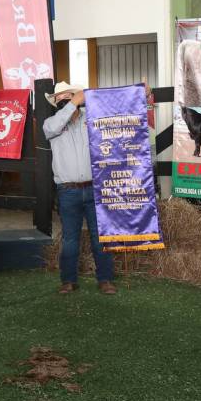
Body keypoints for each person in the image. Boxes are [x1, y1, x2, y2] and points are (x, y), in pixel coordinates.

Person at [42, 81, 116, 295]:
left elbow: (117, 108)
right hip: (68, 190)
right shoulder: (51, 124)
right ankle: (68, 281)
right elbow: (55, 125)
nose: (64, 101)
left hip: (95, 187)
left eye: (69, 97)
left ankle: (105, 279)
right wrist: (72, 103)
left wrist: (141, 95)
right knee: (70, 238)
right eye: (60, 99)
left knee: (100, 236)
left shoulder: (93, 120)